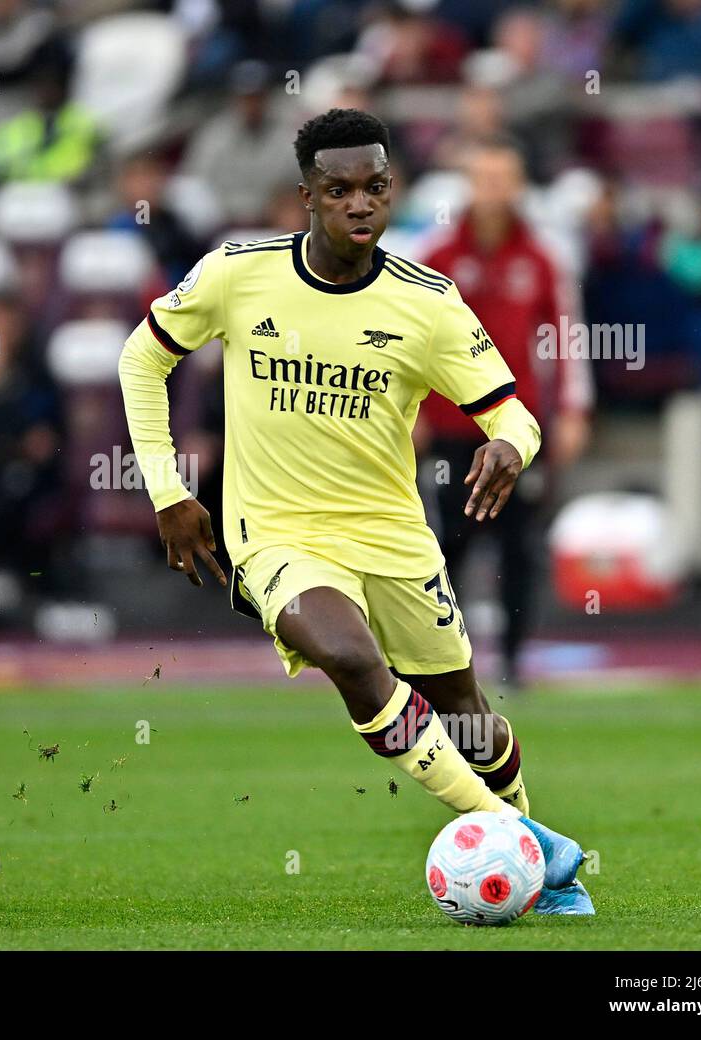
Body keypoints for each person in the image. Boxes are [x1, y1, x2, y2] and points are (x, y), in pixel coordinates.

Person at [118, 108, 594, 914]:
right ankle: (525, 841)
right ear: (307, 196)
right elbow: (142, 356)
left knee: (469, 718)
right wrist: (169, 491)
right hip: (276, 534)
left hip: (393, 536)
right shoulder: (238, 271)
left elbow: (513, 410)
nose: (359, 205)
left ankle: (523, 842)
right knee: (345, 654)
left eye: (373, 188)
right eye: (338, 190)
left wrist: (512, 447)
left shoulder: (428, 303)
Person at [419, 137, 592, 688]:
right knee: (447, 546)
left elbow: (567, 336)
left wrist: (571, 409)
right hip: (450, 429)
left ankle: (514, 662)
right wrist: (411, 412)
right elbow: (408, 343)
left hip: (517, 429)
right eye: (483, 178)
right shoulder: (436, 257)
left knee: (519, 546)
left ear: (519, 186)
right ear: (468, 184)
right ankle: (449, 664)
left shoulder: (543, 258)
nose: (493, 190)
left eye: (503, 179)